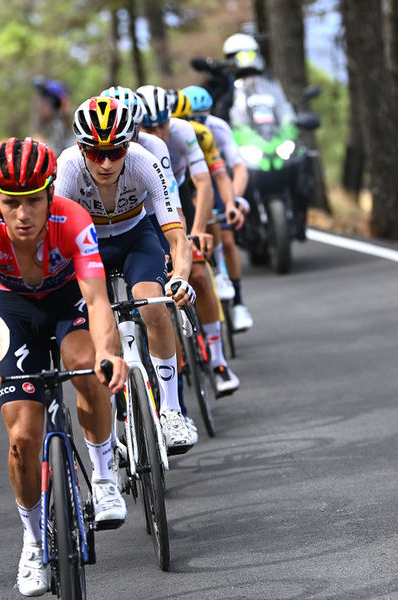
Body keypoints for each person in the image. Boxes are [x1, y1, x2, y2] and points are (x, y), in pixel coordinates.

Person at [0, 137, 129, 596]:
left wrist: (109, 351)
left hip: (67, 302)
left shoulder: (73, 220)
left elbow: (97, 299)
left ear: (50, 193)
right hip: (15, 312)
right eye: (11, 203)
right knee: (21, 439)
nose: (22, 214)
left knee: (85, 364)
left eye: (33, 200)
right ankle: (33, 541)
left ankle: (103, 472)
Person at [54, 96, 199, 453]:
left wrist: (180, 277)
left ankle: (171, 410)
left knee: (152, 306)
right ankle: (113, 418)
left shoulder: (145, 162)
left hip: (137, 237)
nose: (104, 163)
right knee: (97, 325)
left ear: (129, 144)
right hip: (88, 246)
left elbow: (177, 237)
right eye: (94, 152)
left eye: (115, 152)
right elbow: (55, 241)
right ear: (79, 145)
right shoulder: (69, 167)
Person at [136, 85, 241, 396]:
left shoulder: (184, 131)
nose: (159, 132)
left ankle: (219, 363)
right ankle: (174, 368)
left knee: (195, 271)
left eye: (163, 123)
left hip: (182, 196)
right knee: (157, 288)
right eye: (149, 126)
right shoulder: (139, 145)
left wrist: (194, 233)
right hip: (146, 209)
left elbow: (203, 183)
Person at [182, 84, 255, 331]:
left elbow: (237, 168)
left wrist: (233, 202)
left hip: (213, 177)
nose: (201, 121)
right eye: (195, 117)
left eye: (205, 115)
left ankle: (238, 302)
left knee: (228, 236)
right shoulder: (181, 130)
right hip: (188, 181)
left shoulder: (217, 128)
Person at [31, 78, 72, 155]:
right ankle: (54, 139)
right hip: (54, 105)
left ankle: (69, 135)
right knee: (48, 119)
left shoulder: (53, 87)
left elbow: (64, 99)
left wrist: (64, 112)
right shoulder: (42, 92)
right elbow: (43, 104)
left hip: (63, 102)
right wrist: (44, 114)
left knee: (64, 117)